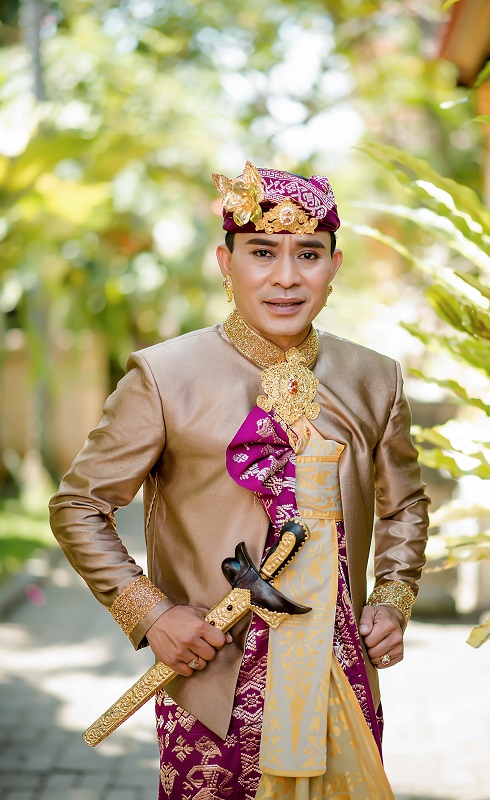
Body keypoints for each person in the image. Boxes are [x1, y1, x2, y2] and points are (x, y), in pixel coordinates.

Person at [49, 161, 429, 800]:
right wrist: (150, 613)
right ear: (225, 262)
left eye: (308, 253)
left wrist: (393, 596)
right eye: (262, 252)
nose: (286, 276)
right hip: (215, 680)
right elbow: (79, 505)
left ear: (334, 266)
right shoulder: (165, 377)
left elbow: (405, 505)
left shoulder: (374, 379)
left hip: (340, 674)